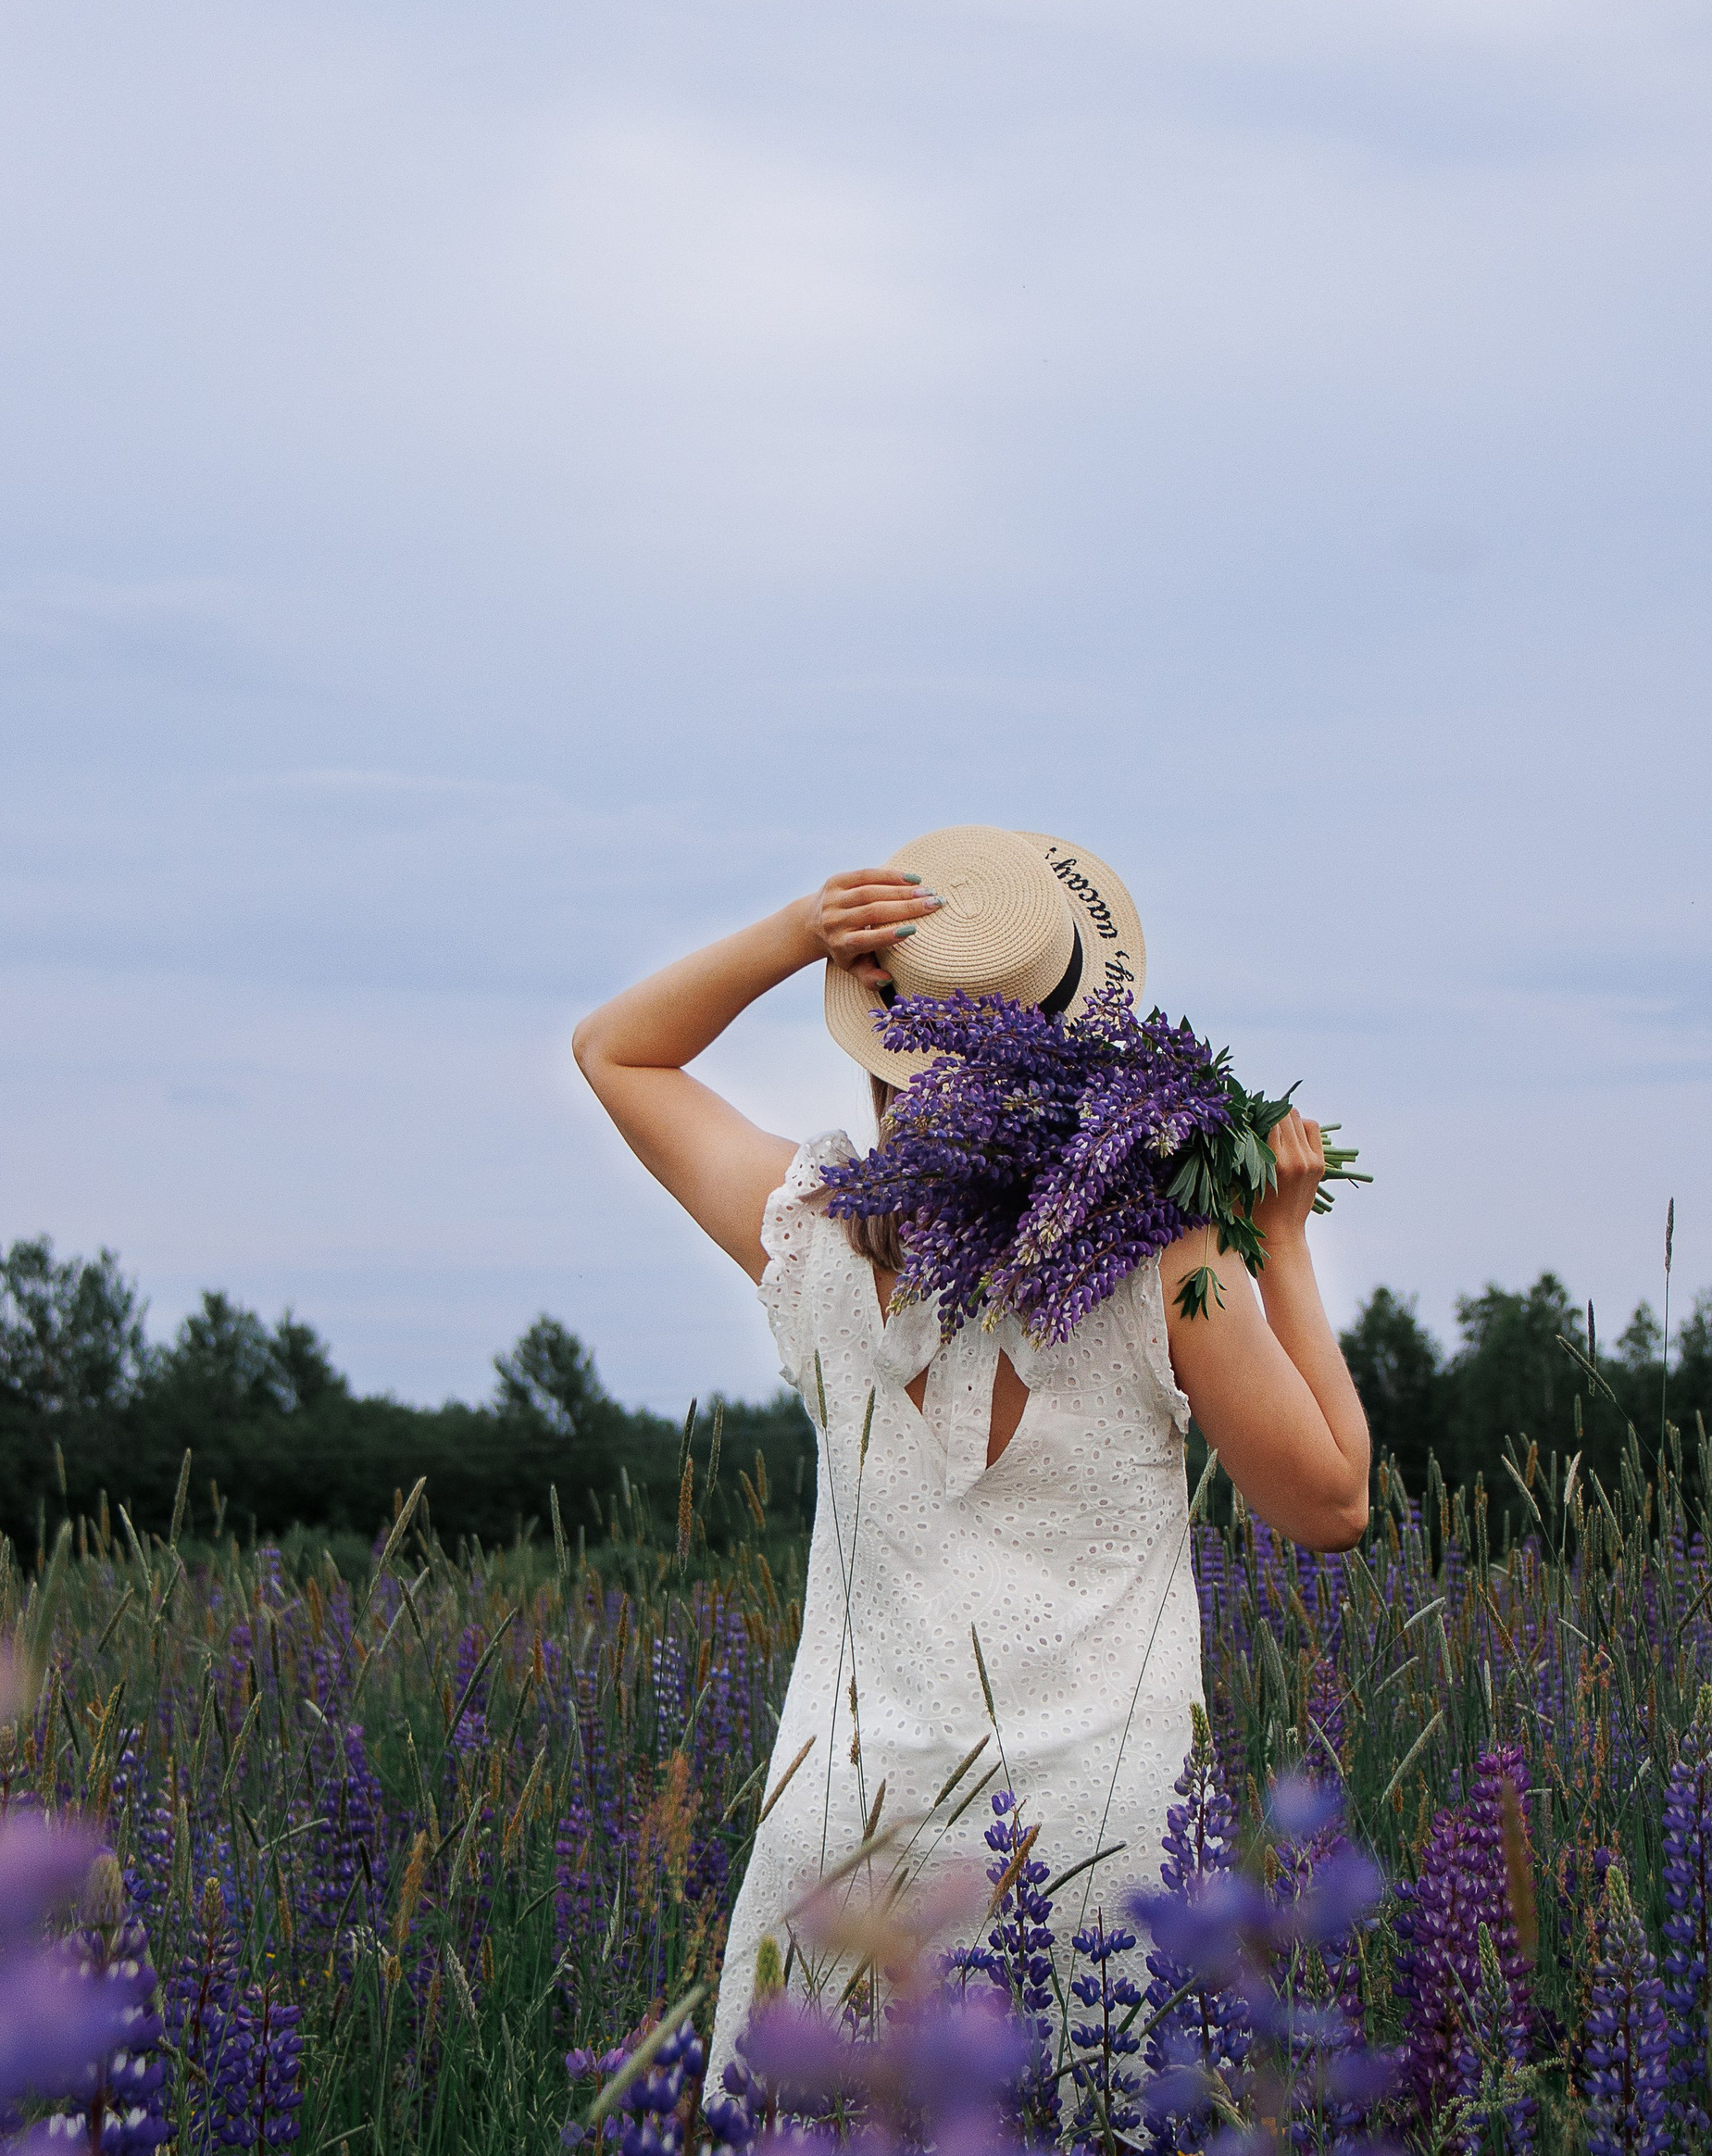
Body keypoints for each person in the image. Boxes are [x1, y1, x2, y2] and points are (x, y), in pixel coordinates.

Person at [571, 826, 1372, 2076]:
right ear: (1080, 1044)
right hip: (1098, 1854)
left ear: (879, 1045)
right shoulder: (1170, 1260)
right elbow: (1333, 1503)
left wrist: (799, 931)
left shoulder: (815, 1235)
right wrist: (1284, 1241)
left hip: (847, 1840)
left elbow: (614, 1050)